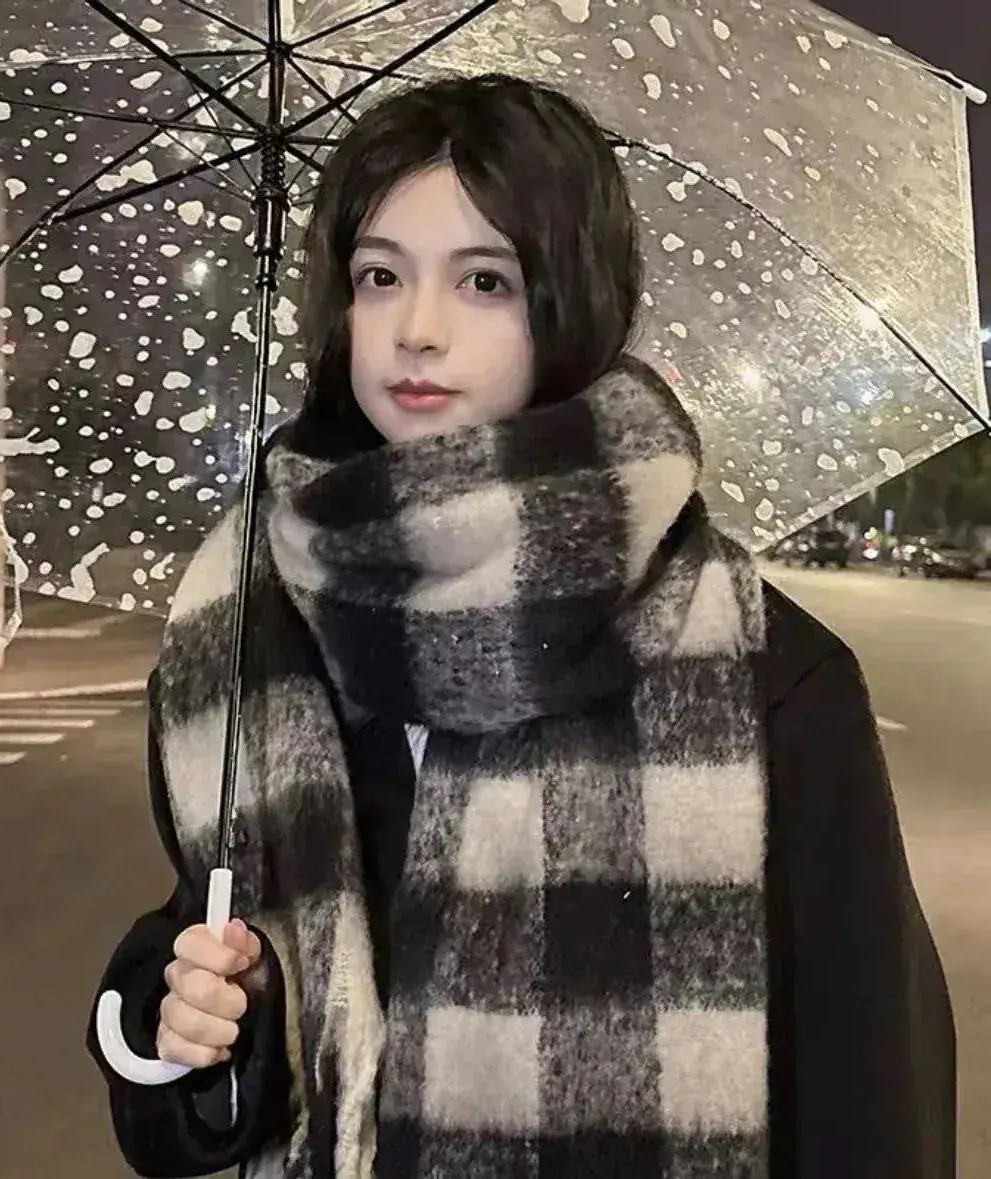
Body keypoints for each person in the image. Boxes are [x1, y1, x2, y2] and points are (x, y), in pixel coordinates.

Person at [87, 74, 955, 1178]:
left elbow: (868, 1096)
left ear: (571, 304)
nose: (416, 330)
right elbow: (200, 937)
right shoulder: (251, 630)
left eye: (484, 280)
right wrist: (189, 1018)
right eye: (379, 276)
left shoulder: (765, 673)